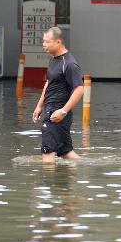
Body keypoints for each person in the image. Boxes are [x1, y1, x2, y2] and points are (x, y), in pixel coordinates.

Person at [32, 27, 84, 163]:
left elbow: (79, 89)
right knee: (66, 153)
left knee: (47, 155)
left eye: (47, 42)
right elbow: (49, 83)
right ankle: (85, 170)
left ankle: (49, 184)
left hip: (57, 115)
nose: (43, 44)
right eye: (43, 41)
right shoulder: (53, 60)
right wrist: (39, 106)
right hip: (52, 110)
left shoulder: (70, 64)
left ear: (58, 42)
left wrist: (63, 111)